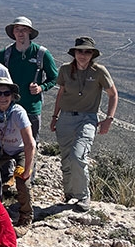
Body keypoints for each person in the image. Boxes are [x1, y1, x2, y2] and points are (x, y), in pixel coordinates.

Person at [50, 37, 118, 212]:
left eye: (87, 51)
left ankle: (83, 196)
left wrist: (109, 119)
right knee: (66, 159)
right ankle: (70, 194)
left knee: (77, 156)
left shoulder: (99, 71)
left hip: (87, 118)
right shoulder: (65, 70)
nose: (83, 55)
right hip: (65, 118)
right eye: (80, 51)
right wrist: (54, 116)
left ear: (92, 54)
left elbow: (113, 94)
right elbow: (61, 94)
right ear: (74, 52)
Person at [0, 77, 36, 234]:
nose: (2, 97)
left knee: (22, 182)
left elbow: (30, 144)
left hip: (19, 149)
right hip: (0, 146)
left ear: (12, 95)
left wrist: (27, 169)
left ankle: (26, 217)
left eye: (6, 93)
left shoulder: (18, 113)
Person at [0, 16, 58, 141]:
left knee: (31, 142)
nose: (20, 33)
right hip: (8, 107)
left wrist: (41, 87)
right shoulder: (5, 54)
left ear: (30, 31)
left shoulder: (42, 53)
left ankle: (30, 161)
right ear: (13, 32)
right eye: (17, 29)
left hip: (31, 107)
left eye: (24, 29)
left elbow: (54, 77)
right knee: (8, 142)